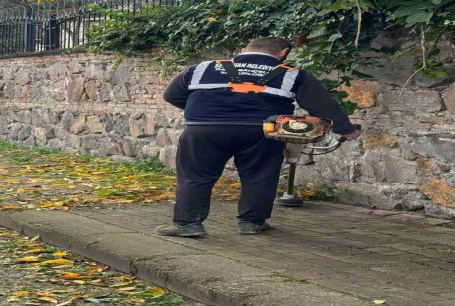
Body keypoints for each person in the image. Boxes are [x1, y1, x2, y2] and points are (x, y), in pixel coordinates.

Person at [155, 37, 361, 237]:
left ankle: (188, 224)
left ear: (244, 51)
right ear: (283, 53)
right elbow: (322, 104)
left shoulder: (203, 67)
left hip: (204, 130)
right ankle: (251, 222)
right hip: (262, 131)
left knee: (195, 176)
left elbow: (171, 95)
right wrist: (346, 129)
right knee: (260, 176)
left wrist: (206, 114)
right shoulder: (292, 74)